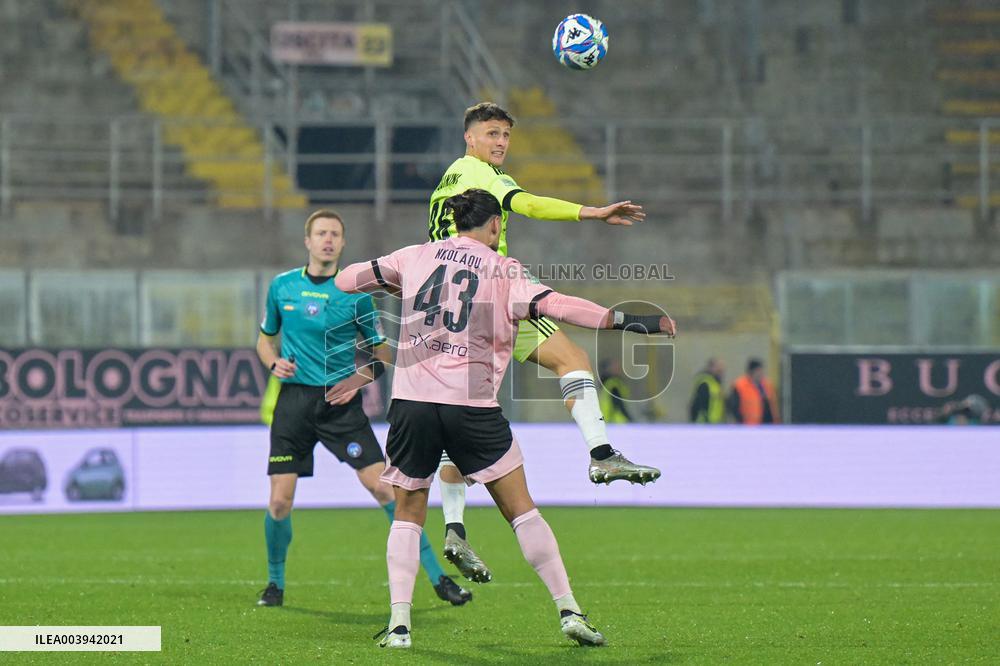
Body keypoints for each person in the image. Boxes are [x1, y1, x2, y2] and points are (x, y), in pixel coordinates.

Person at [328, 189, 676, 648]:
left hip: (411, 402)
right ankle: (569, 610)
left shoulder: (414, 256)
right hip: (471, 404)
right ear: (495, 226)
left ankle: (399, 626)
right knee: (521, 511)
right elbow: (562, 306)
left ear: (455, 223)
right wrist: (631, 321)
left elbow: (346, 281)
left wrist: (397, 283)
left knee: (408, 515)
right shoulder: (505, 269)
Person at [427, 102, 660, 582]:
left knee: (462, 416)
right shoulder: (481, 175)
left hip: (448, 303)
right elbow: (528, 204)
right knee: (572, 360)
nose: (501, 143)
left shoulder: (447, 181)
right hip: (493, 292)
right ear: (468, 137)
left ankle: (454, 528)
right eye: (492, 134)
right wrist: (593, 211)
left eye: (506, 136)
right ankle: (601, 456)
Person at [254, 209, 470, 608]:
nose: (328, 240)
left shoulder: (357, 296)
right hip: (294, 403)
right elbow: (265, 339)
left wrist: (357, 380)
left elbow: (380, 355)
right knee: (280, 501)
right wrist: (272, 362)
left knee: (384, 489)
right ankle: (274, 584)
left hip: (341, 405)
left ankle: (439, 579)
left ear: (342, 242)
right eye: (320, 233)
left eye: (335, 233)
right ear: (307, 241)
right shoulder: (281, 287)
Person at [727, 358, 780, 425]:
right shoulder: (740, 386)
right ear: (751, 372)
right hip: (749, 426)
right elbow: (733, 406)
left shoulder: (767, 385)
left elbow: (773, 405)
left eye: (761, 370)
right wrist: (740, 421)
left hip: (768, 425)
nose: (761, 373)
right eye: (758, 371)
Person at [689, 358, 726, 423]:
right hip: (705, 424)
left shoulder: (715, 384)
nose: (721, 370)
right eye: (718, 367)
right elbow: (699, 403)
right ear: (711, 368)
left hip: (713, 423)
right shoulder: (705, 383)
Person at [598, 358, 634, 423]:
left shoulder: (607, 383)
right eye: (615, 367)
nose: (619, 369)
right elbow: (618, 404)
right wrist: (630, 419)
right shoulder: (613, 384)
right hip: (616, 421)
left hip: (608, 420)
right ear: (610, 369)